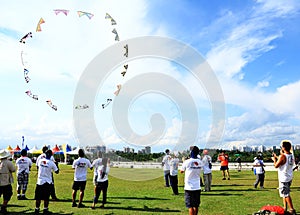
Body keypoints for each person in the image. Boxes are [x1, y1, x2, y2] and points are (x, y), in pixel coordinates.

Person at [271, 140, 296, 215]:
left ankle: (292, 209)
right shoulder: (291, 155)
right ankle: (285, 208)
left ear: (284, 147)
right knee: (284, 193)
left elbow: (276, 166)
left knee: (286, 194)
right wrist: (277, 157)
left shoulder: (283, 156)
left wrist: (274, 160)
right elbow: (284, 160)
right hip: (289, 176)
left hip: (283, 178)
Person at [34, 150, 59, 215]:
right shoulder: (51, 163)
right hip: (47, 181)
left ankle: (37, 208)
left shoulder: (40, 161)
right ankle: (45, 209)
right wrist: (56, 164)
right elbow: (57, 171)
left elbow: (38, 167)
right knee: (46, 197)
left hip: (40, 181)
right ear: (51, 155)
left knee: (38, 197)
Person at [180, 146, 202, 215]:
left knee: (190, 206)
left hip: (189, 187)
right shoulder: (200, 162)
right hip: (197, 186)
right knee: (196, 205)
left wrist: (184, 162)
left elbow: (181, 171)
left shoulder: (187, 162)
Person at [0, 149, 16, 214]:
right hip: (6, 182)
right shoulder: (8, 162)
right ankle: (4, 206)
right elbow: (13, 169)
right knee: (8, 194)